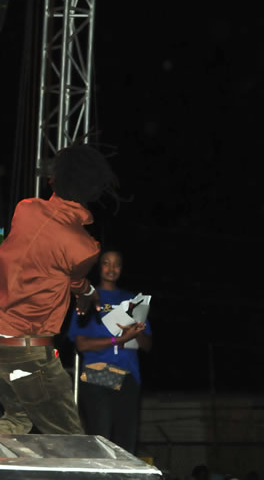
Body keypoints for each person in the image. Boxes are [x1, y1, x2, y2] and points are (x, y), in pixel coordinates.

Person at [0, 145, 117, 434]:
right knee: (71, 443)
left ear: (56, 178)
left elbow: (56, 268)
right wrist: (87, 293)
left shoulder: (25, 209)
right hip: (26, 354)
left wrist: (83, 291)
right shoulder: (84, 247)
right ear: (93, 189)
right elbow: (73, 275)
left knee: (16, 422)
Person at [68, 249, 152, 453]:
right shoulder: (89, 297)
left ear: (122, 269)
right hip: (98, 371)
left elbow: (148, 345)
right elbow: (82, 344)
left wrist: (134, 333)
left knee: (126, 443)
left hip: (128, 375)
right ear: (99, 267)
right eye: (106, 263)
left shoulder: (133, 300)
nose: (111, 268)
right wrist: (118, 339)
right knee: (102, 438)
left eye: (116, 264)